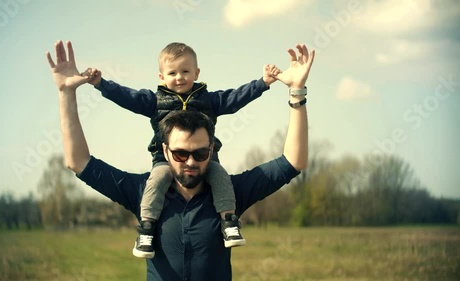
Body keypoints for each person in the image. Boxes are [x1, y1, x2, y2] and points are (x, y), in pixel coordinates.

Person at [46, 40, 314, 281]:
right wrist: (67, 93)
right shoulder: (142, 191)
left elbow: (293, 162)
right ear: (164, 151)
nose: (190, 162)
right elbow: (78, 161)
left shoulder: (231, 192)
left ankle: (230, 226)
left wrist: (296, 91)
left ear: (211, 148)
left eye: (200, 153)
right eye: (179, 154)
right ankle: (146, 231)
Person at [81, 42, 282, 258]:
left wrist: (263, 83)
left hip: (205, 157)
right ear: (161, 77)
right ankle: (146, 230)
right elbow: (126, 96)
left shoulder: (208, 99)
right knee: (156, 180)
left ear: (196, 73)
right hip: (164, 158)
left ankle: (229, 223)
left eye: (185, 71)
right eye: (172, 72)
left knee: (221, 177)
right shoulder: (155, 101)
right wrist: (101, 84)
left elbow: (235, 98)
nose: (179, 77)